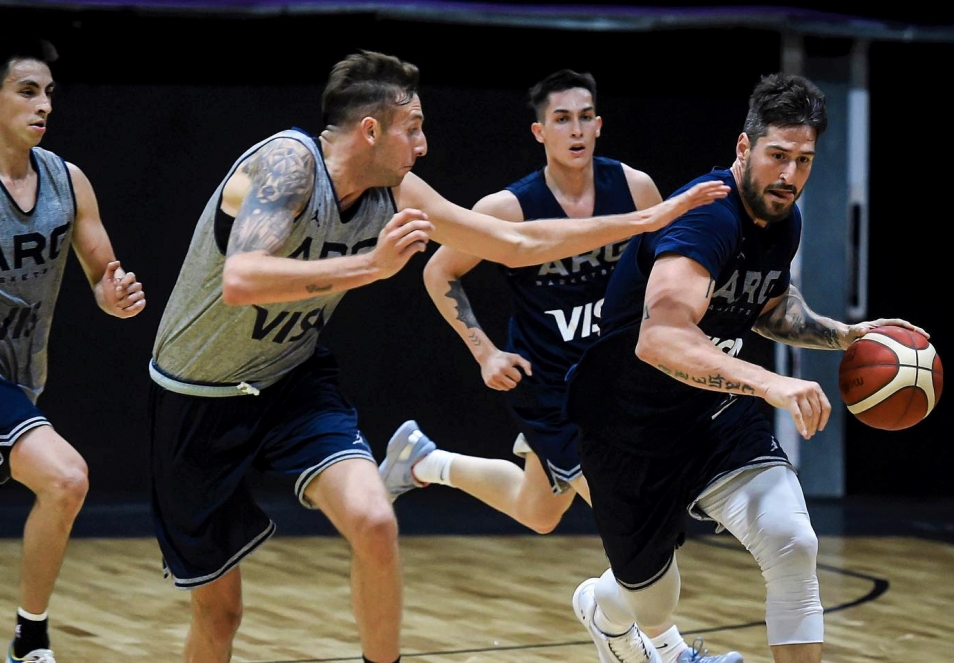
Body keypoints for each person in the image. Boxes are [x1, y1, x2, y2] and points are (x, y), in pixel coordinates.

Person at [147, 50, 728, 663]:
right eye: (413, 127)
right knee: (221, 615)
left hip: (292, 381)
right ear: (371, 130)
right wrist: (372, 266)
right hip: (197, 396)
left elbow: (515, 241)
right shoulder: (289, 164)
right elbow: (241, 278)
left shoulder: (396, 188)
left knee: (376, 521)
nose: (423, 145)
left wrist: (648, 218)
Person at [561, 72, 927, 663]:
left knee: (792, 542)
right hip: (630, 426)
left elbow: (769, 305)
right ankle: (604, 611)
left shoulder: (783, 218)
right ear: (743, 147)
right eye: (777, 156)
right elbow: (660, 338)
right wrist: (769, 381)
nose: (790, 176)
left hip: (714, 412)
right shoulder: (707, 217)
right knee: (652, 604)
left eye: (803, 161)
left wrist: (843, 336)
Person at [381, 69, 740, 663]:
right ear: (539, 131)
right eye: (561, 119)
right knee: (631, 511)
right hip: (551, 388)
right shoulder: (509, 207)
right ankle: (668, 649)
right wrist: (485, 351)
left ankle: (424, 462)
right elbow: (439, 270)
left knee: (539, 511)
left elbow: (670, 271)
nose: (575, 129)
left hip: (619, 381)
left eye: (584, 117)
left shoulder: (636, 189)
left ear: (599, 125)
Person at [0, 32, 146, 663]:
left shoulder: (68, 181)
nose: (43, 105)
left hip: (18, 381)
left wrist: (114, 295)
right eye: (27, 91)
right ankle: (30, 640)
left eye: (48, 93)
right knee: (66, 478)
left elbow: (102, 273)